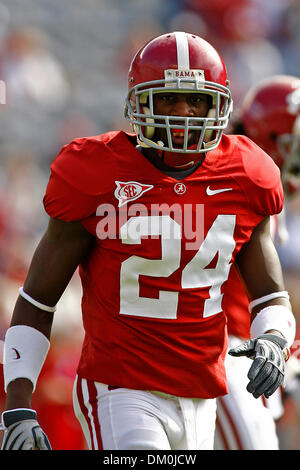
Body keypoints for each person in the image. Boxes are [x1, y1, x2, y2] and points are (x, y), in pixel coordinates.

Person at [0, 32, 296, 451]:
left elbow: (270, 297)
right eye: (169, 99)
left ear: (218, 105)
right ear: (139, 103)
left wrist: (272, 339)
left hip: (201, 392)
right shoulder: (95, 173)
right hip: (119, 387)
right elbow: (38, 301)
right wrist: (18, 406)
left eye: (196, 101)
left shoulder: (246, 174)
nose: (183, 114)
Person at [214, 74, 300, 450]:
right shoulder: (240, 177)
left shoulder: (257, 178)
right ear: (272, 138)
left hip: (251, 348)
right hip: (222, 350)